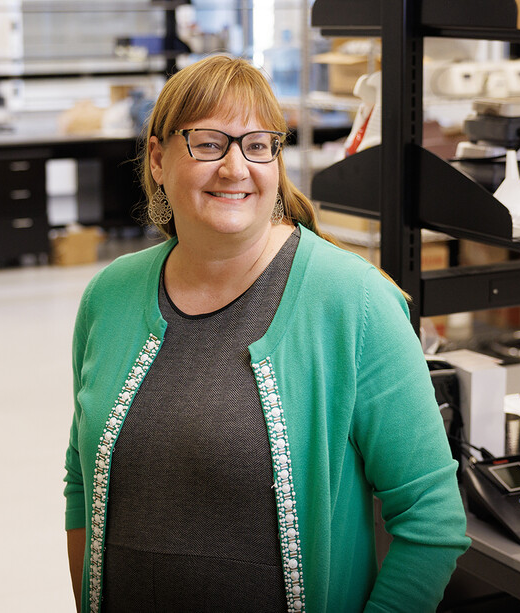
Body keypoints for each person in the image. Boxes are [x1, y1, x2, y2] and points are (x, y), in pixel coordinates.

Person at [63, 55, 469, 612]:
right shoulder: (109, 297)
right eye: (208, 143)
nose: (235, 167)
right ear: (157, 158)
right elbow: (80, 485)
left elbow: (432, 520)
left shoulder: (356, 302)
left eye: (258, 145)